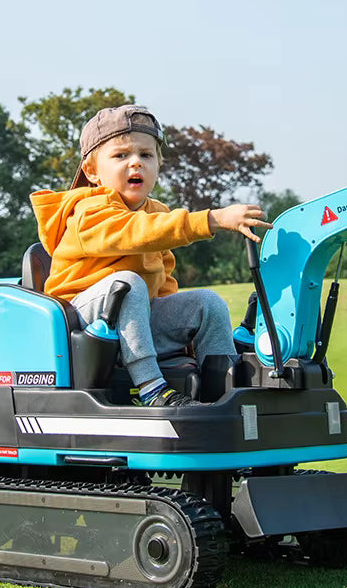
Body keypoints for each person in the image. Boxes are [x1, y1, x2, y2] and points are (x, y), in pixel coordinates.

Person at [30, 104, 271, 406]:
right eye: (121, 155)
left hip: (136, 318)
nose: (136, 164)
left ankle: (224, 393)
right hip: (83, 319)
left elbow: (163, 282)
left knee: (207, 302)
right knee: (128, 283)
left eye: (146, 155)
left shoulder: (156, 213)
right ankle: (152, 389)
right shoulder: (87, 212)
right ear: (92, 171)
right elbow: (134, 232)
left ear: (158, 163)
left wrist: (186, 340)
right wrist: (211, 219)